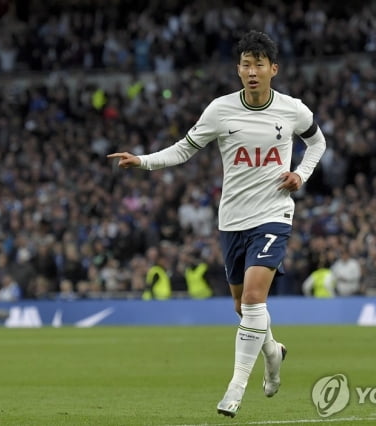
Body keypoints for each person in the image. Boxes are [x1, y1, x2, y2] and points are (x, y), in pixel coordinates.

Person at [107, 30, 326, 417]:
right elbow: (184, 150)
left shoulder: (293, 109)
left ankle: (236, 387)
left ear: (273, 68)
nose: (252, 71)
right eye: (246, 64)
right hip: (232, 219)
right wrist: (143, 161)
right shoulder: (220, 110)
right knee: (243, 307)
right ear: (238, 69)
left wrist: (301, 175)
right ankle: (273, 353)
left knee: (256, 299)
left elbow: (317, 142)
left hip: (274, 213)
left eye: (259, 64)